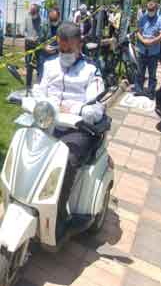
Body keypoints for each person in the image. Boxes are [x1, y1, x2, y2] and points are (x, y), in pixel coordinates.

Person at [33, 22, 104, 240]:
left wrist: (72, 108)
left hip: (78, 129)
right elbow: (39, 90)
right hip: (49, 123)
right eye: (61, 49)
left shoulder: (91, 70)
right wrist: (37, 99)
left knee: (67, 160)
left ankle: (59, 213)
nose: (64, 54)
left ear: (79, 45)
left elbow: (97, 109)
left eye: (69, 50)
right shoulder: (49, 65)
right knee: (28, 148)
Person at [135, 1, 161, 99]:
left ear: (156, 10)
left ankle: (150, 92)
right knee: (140, 72)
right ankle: (139, 90)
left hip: (154, 51)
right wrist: (143, 40)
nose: (150, 11)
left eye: (152, 10)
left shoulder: (160, 20)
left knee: (152, 73)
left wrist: (152, 41)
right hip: (142, 50)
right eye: (148, 10)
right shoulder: (143, 18)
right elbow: (138, 32)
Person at [36, 8, 61, 82]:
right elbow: (39, 40)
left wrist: (57, 48)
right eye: (51, 20)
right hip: (44, 56)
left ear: (59, 17)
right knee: (42, 76)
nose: (53, 22)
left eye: (55, 19)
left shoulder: (63, 27)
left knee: (55, 77)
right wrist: (45, 47)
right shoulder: (44, 26)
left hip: (57, 56)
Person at [23, 4, 43, 90]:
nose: (31, 13)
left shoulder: (42, 20)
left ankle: (39, 85)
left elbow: (43, 32)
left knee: (39, 65)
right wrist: (29, 37)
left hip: (38, 46)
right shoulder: (27, 18)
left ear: (37, 11)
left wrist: (39, 37)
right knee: (28, 66)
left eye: (33, 12)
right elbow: (24, 31)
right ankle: (28, 85)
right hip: (28, 45)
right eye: (31, 12)